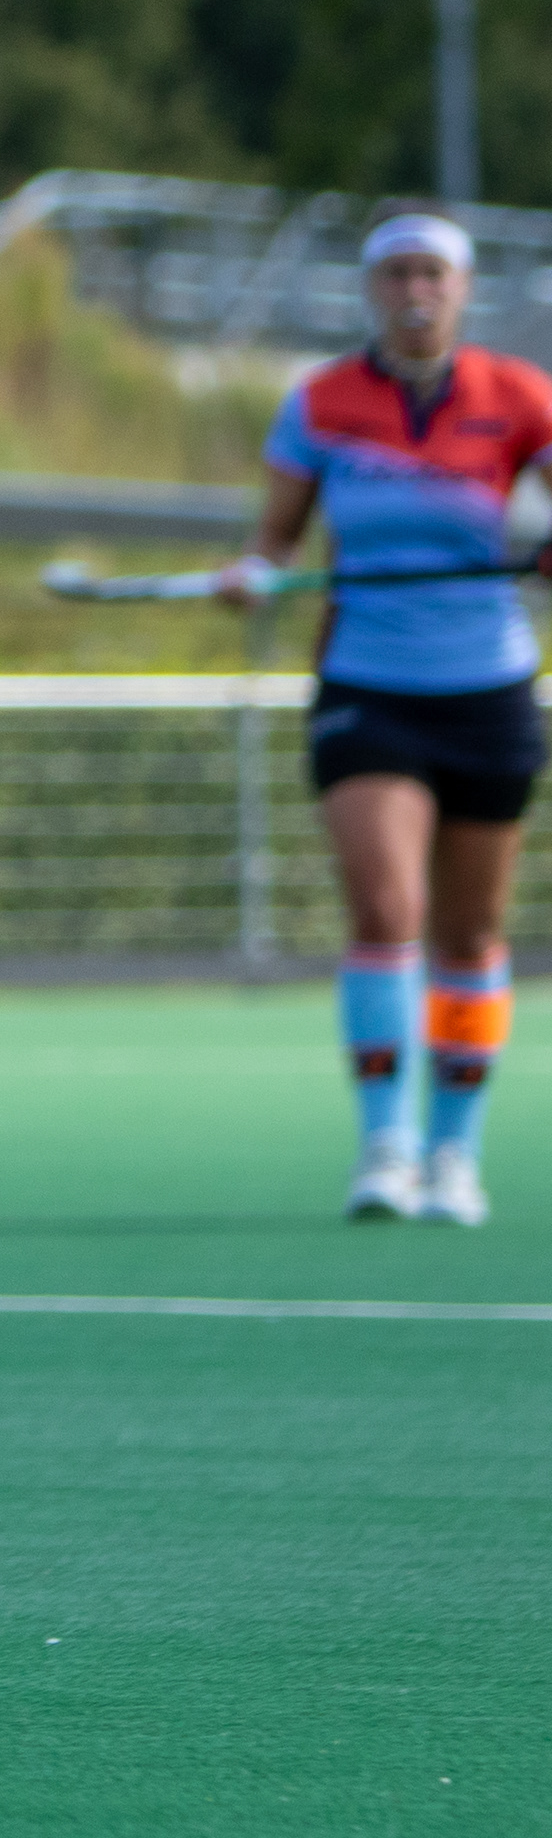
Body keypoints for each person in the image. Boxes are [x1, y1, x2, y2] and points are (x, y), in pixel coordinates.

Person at [228, 206, 552, 1227]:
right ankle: (387, 1145)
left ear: (462, 288)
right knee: (384, 909)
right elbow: (277, 541)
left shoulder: (520, 395)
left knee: (470, 932)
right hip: (368, 684)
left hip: (489, 688)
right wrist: (251, 576)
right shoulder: (321, 401)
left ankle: (455, 1153)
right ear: (372, 288)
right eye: (397, 273)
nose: (416, 292)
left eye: (433, 274)